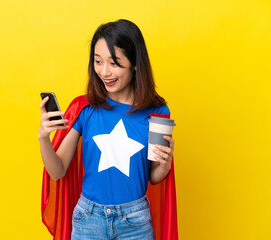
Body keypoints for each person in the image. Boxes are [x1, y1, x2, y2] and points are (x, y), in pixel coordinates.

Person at [39, 19, 178, 240]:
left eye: (114, 63)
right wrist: (43, 138)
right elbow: (57, 171)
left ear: (135, 63)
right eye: (98, 61)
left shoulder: (158, 112)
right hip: (88, 220)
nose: (104, 72)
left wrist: (166, 165)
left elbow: (153, 176)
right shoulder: (84, 108)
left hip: (135, 222)